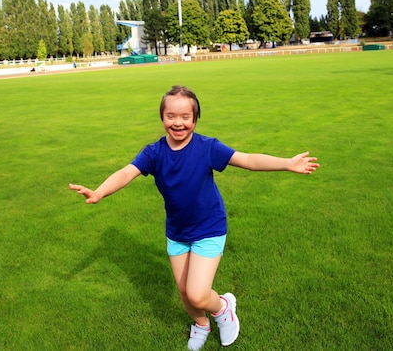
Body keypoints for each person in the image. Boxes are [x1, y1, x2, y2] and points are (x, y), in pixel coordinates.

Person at [70, 85, 319, 350]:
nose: (178, 123)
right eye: (171, 116)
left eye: (185, 117)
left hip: (209, 228)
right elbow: (126, 173)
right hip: (177, 232)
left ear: (195, 119)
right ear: (162, 117)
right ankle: (201, 324)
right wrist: (99, 192)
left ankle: (223, 308)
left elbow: (246, 159)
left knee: (199, 294)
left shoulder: (207, 147)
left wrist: (286, 163)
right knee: (185, 294)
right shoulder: (154, 153)